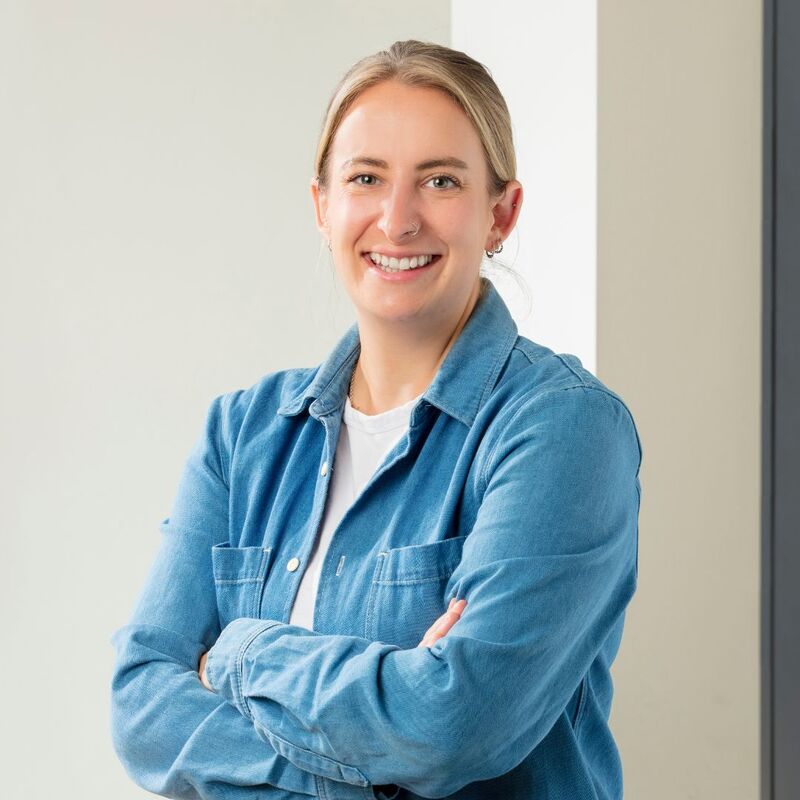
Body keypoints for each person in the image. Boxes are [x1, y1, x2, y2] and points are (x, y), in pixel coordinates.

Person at [109, 39, 642, 800]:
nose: (397, 220)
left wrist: (240, 653)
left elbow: (455, 725)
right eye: (366, 178)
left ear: (502, 213)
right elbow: (141, 706)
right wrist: (374, 767)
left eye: (440, 181)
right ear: (323, 207)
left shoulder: (562, 430)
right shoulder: (242, 434)